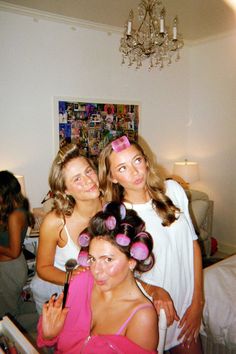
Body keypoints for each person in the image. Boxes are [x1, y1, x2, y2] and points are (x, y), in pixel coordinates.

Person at [98, 135, 204, 354]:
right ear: (113, 177)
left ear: (146, 161)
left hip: (186, 308)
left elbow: (192, 245)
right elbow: (119, 275)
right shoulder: (118, 217)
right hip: (151, 313)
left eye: (137, 161)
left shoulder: (173, 190)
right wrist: (153, 290)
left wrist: (197, 303)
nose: (135, 172)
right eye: (123, 168)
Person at [37, 202, 158, 353]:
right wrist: (50, 335)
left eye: (107, 259)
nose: (96, 271)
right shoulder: (81, 282)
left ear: (131, 261)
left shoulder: (142, 317)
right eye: (92, 259)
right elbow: (55, 340)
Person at [30, 144, 102, 313]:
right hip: (56, 294)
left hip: (94, 294)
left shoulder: (112, 212)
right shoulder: (55, 222)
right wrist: (71, 278)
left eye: (88, 171)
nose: (88, 181)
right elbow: (43, 268)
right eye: (77, 179)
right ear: (66, 190)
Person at [0, 170, 37, 329]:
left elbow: (14, 252)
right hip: (9, 267)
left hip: (10, 268)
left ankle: (44, 322)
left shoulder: (15, 216)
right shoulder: (15, 209)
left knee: (6, 315)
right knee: (14, 304)